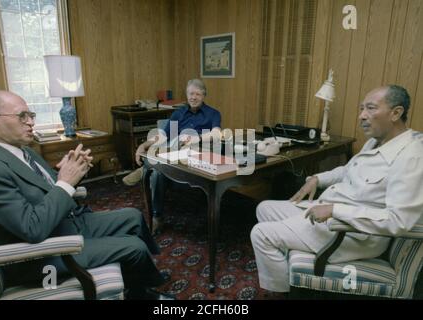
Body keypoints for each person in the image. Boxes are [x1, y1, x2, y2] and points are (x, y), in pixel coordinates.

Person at [0, 91, 174, 300]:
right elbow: (32, 228)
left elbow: (48, 187)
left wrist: (72, 172)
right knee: (133, 246)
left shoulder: (22, 149)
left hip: (63, 224)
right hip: (40, 254)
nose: (30, 122)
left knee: (133, 216)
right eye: (22, 116)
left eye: (31, 115)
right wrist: (64, 182)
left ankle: (142, 276)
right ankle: (143, 293)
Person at [250, 85, 423, 296]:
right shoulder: (376, 141)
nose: (361, 116)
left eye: (370, 108)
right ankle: (289, 256)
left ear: (396, 113)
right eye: (362, 109)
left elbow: (398, 221)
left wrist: (335, 210)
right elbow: (347, 170)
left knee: (261, 235)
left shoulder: (411, 157)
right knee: (264, 208)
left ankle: (283, 293)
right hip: (332, 212)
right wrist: (317, 179)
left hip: (353, 234)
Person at [124, 79, 222, 234]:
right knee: (158, 172)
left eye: (197, 94)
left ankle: (146, 166)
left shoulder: (212, 114)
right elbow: (163, 136)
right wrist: (144, 145)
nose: (193, 97)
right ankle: (157, 217)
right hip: (174, 156)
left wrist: (197, 138)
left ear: (204, 96)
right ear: (187, 94)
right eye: (191, 93)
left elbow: (217, 134)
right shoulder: (179, 113)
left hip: (197, 155)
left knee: (177, 149)